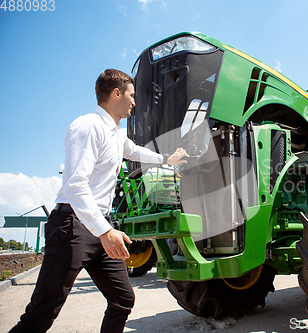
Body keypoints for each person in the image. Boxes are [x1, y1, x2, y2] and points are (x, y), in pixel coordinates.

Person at [10, 69, 188, 333]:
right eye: (131, 95)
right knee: (43, 311)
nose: (134, 102)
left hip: (101, 226)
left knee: (123, 299)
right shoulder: (87, 127)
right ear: (116, 93)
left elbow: (135, 152)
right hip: (72, 226)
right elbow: (75, 185)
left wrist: (166, 160)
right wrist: (105, 231)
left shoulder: (115, 133)